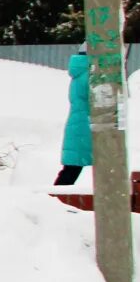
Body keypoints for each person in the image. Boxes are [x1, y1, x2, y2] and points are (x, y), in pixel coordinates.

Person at [54, 46, 92, 186]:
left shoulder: (81, 71)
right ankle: (54, 199)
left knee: (72, 168)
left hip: (80, 125)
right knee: (73, 169)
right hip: (85, 126)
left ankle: (54, 198)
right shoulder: (90, 74)